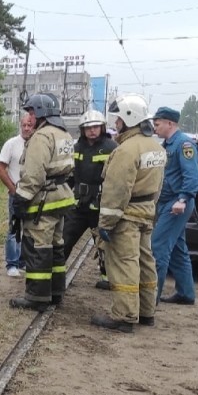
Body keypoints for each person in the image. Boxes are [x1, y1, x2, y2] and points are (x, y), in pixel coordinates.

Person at [90, 94, 166, 333]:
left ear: (128, 118)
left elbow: (116, 191)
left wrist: (106, 223)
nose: (116, 124)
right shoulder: (155, 147)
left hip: (126, 217)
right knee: (145, 262)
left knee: (124, 264)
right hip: (145, 213)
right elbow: (158, 187)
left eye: (118, 119)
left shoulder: (126, 150)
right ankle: (146, 312)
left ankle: (124, 316)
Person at [9, 94, 75, 312]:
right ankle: (56, 292)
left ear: (40, 112)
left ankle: (37, 297)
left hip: (44, 201)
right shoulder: (64, 134)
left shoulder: (41, 136)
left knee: (38, 247)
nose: (29, 116)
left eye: (31, 112)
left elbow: (34, 175)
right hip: (61, 197)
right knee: (56, 247)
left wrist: (21, 199)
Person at [61, 110, 118, 289]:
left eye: (95, 127)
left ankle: (107, 278)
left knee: (103, 242)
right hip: (78, 203)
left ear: (101, 127)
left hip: (100, 204)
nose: (92, 131)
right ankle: (57, 273)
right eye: (88, 128)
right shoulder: (76, 148)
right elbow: (70, 175)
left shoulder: (111, 147)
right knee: (65, 238)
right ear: (82, 130)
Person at [151, 106, 198, 305]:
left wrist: (183, 199)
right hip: (167, 202)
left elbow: (192, 175)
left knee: (158, 247)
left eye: (158, 124)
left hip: (176, 203)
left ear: (170, 123)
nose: (155, 127)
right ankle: (186, 293)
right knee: (178, 249)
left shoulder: (183, 144)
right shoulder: (168, 144)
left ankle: (150, 298)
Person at [0, 112, 35, 278]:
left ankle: (23, 261)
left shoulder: (39, 144)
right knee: (14, 228)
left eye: (29, 125)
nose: (26, 128)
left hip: (34, 194)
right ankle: (11, 263)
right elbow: (0, 168)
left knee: (30, 229)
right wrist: (12, 188)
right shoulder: (11, 144)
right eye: (23, 125)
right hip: (17, 194)